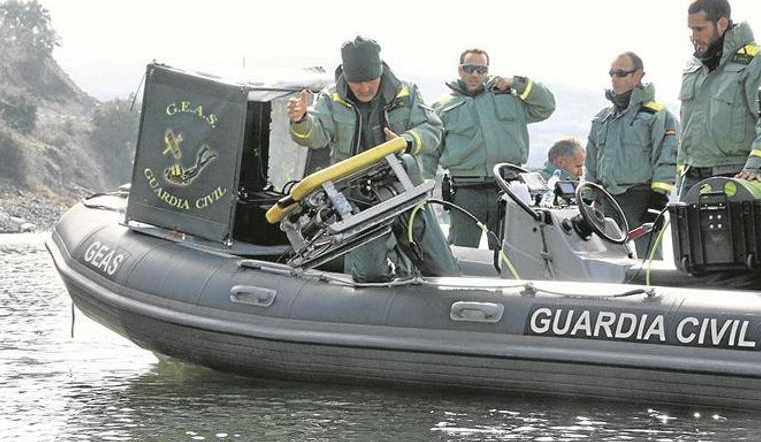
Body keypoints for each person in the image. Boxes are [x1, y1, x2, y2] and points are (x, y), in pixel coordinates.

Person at [286, 36, 460, 282]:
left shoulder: (406, 93)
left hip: (404, 190)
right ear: (346, 76)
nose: (365, 88)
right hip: (358, 202)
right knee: (370, 274)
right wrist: (300, 120)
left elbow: (432, 130)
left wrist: (405, 141)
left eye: (370, 80)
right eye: (357, 82)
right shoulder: (331, 98)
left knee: (443, 267)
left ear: (380, 71)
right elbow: (315, 135)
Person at [424, 48, 556, 248]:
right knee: (461, 251)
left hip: (506, 188)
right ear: (460, 70)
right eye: (469, 68)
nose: (475, 74)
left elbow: (546, 106)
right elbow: (430, 153)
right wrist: (424, 188)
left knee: (510, 252)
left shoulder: (509, 97)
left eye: (481, 69)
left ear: (487, 71)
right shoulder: (442, 107)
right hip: (466, 192)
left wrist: (516, 82)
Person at [678, 0, 761, 195]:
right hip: (692, 178)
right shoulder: (695, 67)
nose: (694, 36)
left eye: (700, 29)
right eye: (691, 29)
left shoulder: (757, 62)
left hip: (736, 175)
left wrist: (754, 165)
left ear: (721, 23)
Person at [585, 52, 678, 260]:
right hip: (605, 200)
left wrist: (657, 203)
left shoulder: (658, 116)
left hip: (642, 200)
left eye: (621, 73)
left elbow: (667, 160)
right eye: (612, 73)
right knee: (606, 263)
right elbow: (590, 163)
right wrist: (587, 200)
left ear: (639, 75)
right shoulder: (602, 119)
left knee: (649, 265)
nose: (614, 79)